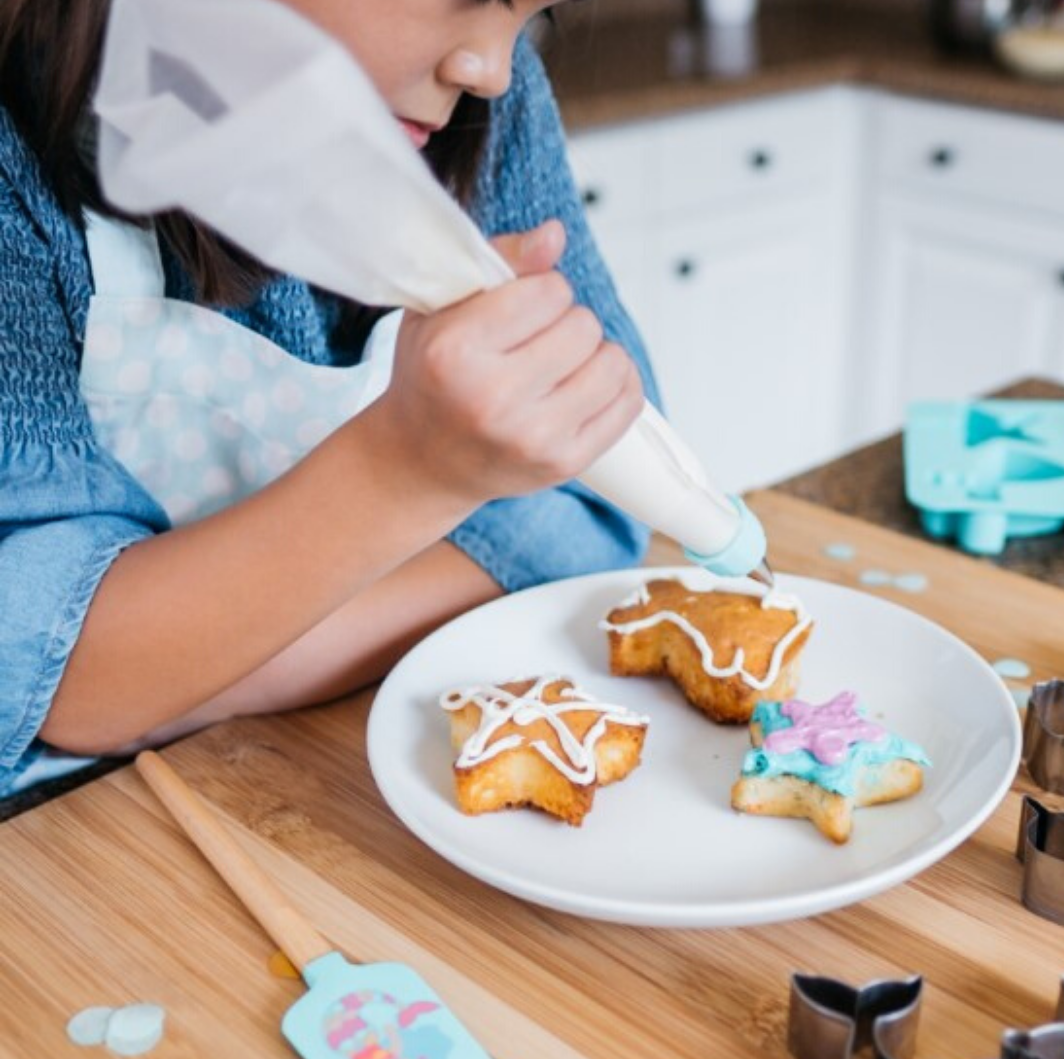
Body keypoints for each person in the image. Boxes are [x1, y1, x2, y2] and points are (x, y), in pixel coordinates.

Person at [0, 0, 654, 798]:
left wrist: (156, 683)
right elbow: (36, 671)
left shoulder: (492, 121)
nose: (490, 70)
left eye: (533, 13)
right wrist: (409, 471)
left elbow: (595, 513)